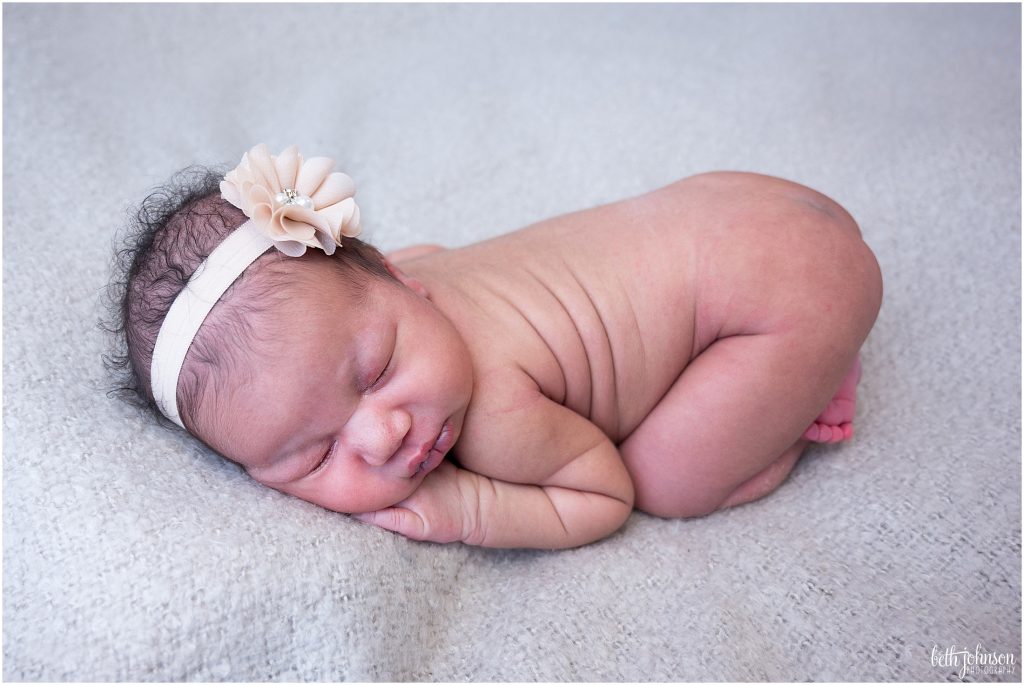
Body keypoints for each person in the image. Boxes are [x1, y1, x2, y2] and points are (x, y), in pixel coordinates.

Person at [107, 144, 882, 549]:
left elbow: (603, 496)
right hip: (743, 201)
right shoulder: (407, 278)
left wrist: (473, 509)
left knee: (664, 482)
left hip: (794, 296)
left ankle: (799, 395)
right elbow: (409, 263)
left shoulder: (496, 415)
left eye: (376, 372)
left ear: (393, 277)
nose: (385, 434)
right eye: (314, 457)